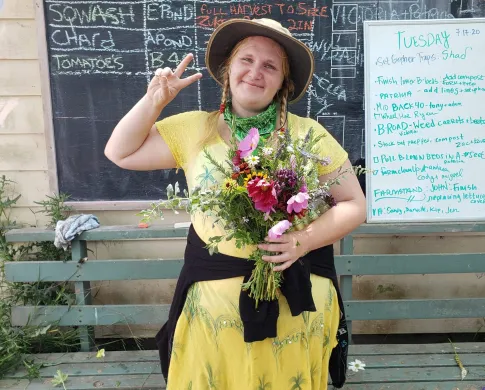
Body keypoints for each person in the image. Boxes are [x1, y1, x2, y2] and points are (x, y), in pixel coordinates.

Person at [105, 18, 366, 390]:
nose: (255, 72)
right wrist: (154, 102)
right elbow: (119, 152)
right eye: (246, 60)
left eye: (270, 66)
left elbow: (354, 204)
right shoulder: (196, 128)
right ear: (228, 70)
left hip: (294, 308)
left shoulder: (309, 135)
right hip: (212, 312)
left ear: (283, 84)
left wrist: (302, 240)